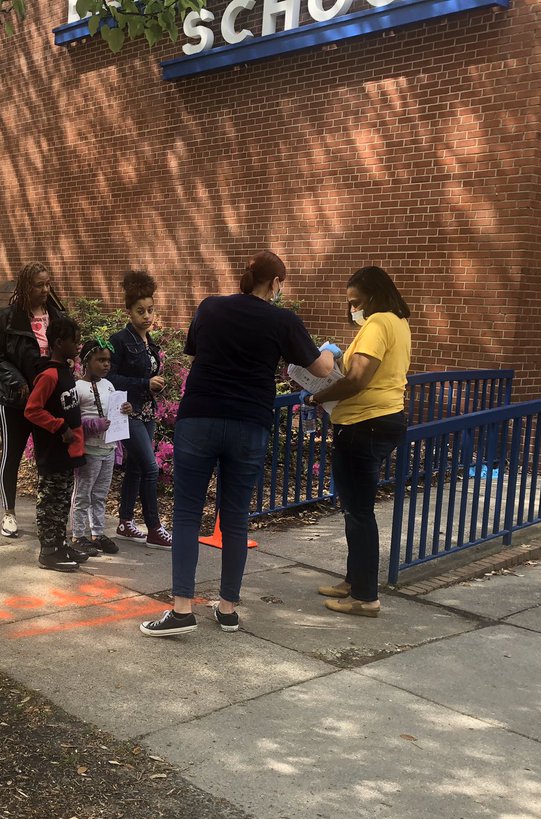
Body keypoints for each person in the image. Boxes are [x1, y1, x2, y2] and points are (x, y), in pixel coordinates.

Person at [140, 250, 336, 637]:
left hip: (200, 416)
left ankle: (181, 609)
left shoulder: (210, 307)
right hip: (250, 422)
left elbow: (193, 349)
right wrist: (329, 350)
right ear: (276, 283)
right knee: (234, 516)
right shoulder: (283, 320)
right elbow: (321, 369)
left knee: (186, 512)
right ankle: (227, 608)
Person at [308, 266, 412, 618]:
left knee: (358, 512)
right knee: (356, 509)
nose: (352, 309)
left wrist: (317, 396)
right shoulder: (398, 322)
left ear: (372, 296)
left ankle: (365, 597)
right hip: (381, 420)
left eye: (355, 302)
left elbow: (356, 380)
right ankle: (354, 581)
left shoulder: (378, 324)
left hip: (364, 424)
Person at [0, 262, 74, 539]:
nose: (45, 290)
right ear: (26, 286)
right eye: (39, 285)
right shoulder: (10, 318)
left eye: (48, 284)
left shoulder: (56, 316)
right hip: (15, 399)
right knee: (11, 456)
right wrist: (18, 382)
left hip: (47, 401)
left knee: (46, 459)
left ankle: (46, 515)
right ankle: (9, 512)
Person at [107, 270, 172, 550]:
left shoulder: (150, 343)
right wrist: (144, 382)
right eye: (140, 311)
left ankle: (124, 523)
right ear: (129, 312)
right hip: (127, 412)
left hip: (147, 412)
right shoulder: (120, 340)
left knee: (135, 467)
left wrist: (155, 385)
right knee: (149, 467)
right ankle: (154, 528)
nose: (147, 316)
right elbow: (109, 378)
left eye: (150, 310)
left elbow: (149, 375)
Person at [23, 317, 86, 572]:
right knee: (50, 501)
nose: (78, 344)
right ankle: (48, 551)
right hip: (52, 451)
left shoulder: (65, 371)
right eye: (74, 340)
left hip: (67, 452)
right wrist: (59, 426)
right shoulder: (48, 375)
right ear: (60, 343)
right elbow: (32, 410)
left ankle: (60, 544)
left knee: (61, 500)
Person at [71, 337, 132, 557]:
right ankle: (78, 534)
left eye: (108, 360)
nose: (106, 364)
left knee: (100, 494)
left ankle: (97, 533)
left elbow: (115, 410)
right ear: (86, 362)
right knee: (83, 494)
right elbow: (73, 420)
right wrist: (92, 425)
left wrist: (124, 408)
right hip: (89, 451)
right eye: (100, 360)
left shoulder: (109, 385)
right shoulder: (78, 388)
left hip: (108, 449)